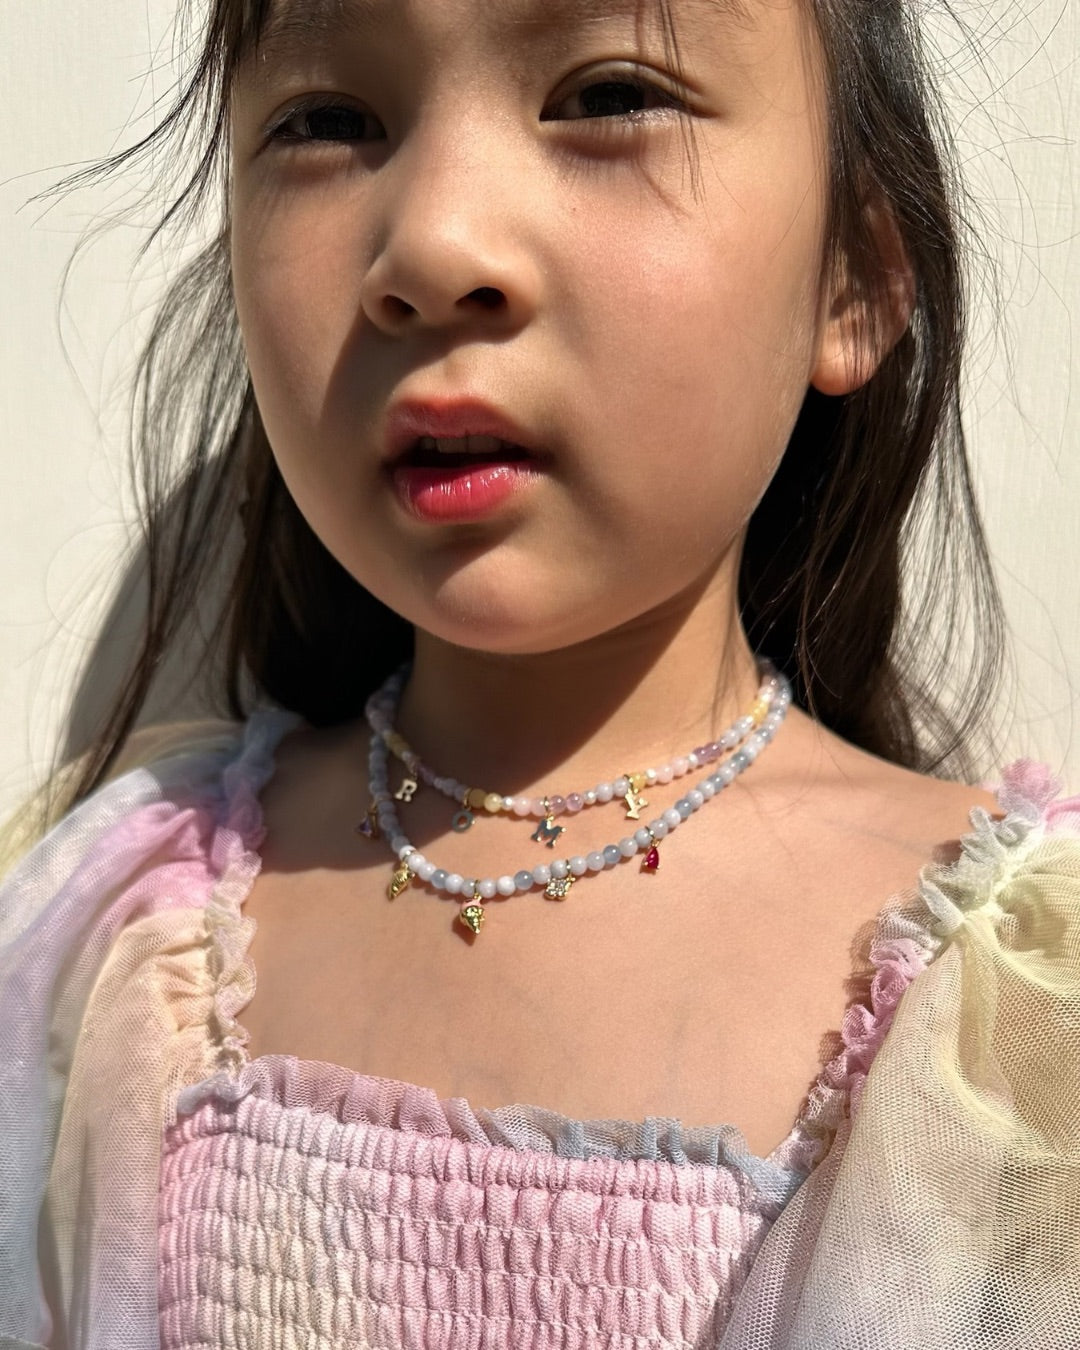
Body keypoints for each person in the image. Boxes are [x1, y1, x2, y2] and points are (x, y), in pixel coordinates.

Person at [1, 0, 1077, 1346]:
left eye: (610, 95)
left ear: (851, 278)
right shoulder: (98, 944)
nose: (436, 247)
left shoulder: (1024, 1021)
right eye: (329, 121)